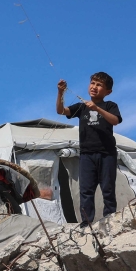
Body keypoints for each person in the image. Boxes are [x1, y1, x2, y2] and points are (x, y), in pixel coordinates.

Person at [56, 72, 123, 225]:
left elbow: (115, 121)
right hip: (86, 154)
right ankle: (86, 223)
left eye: (99, 85)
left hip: (107, 154)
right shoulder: (81, 107)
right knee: (86, 191)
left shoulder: (110, 106)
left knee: (108, 189)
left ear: (108, 92)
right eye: (93, 83)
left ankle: (110, 220)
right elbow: (60, 111)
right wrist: (60, 92)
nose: (94, 87)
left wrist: (97, 109)